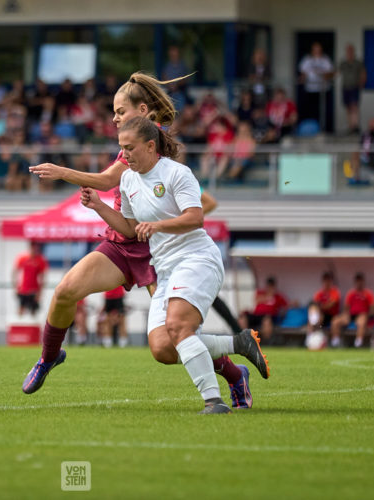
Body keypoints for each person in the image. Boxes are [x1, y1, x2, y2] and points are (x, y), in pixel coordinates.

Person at [24, 73, 263, 410]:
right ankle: (48, 358)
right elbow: (118, 195)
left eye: (120, 111)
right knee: (65, 291)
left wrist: (62, 172)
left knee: (171, 341)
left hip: (156, 251)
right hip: (125, 239)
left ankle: (233, 375)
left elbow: (108, 180)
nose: (114, 117)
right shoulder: (135, 144)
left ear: (142, 110)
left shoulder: (148, 148)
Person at [81, 116, 268, 413]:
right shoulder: (128, 179)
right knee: (163, 348)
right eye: (121, 148)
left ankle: (213, 401)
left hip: (197, 259)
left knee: (179, 326)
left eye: (129, 148)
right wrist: (99, 206)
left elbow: (196, 217)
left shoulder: (177, 173)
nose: (123, 155)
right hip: (166, 269)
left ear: (150, 146)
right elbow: (130, 229)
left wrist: (158, 226)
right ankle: (239, 344)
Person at [330, 272, 374, 348]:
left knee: (361, 322)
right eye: (357, 281)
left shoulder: (368, 293)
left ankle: (358, 342)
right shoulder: (351, 293)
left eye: (360, 281)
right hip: (351, 314)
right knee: (335, 321)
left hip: (362, 314)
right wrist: (345, 315)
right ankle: (335, 341)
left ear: (363, 282)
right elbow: (346, 307)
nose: (359, 283)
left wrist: (367, 316)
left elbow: (373, 308)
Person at [238, 276, 289, 344]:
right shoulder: (261, 293)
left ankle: (266, 343)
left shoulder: (278, 296)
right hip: (256, 315)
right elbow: (256, 300)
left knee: (266, 321)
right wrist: (268, 297)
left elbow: (287, 305)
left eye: (271, 286)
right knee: (242, 318)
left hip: (268, 316)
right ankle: (243, 341)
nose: (269, 288)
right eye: (268, 286)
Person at [298, 42, 334, 131]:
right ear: (312, 50)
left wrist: (324, 75)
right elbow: (303, 73)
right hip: (310, 89)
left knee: (324, 111)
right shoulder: (307, 59)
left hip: (323, 90)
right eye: (315, 49)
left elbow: (330, 73)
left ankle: (325, 129)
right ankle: (311, 129)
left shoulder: (325, 59)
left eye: (319, 49)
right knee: (311, 110)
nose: (317, 51)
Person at [13, 242, 48, 317]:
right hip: (23, 289)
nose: (35, 249)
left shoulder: (40, 260)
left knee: (33, 310)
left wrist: (40, 292)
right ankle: (20, 327)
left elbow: (42, 277)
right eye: (33, 247)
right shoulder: (23, 258)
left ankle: (32, 327)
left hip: (34, 290)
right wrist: (15, 287)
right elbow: (15, 272)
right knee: (21, 309)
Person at [338, 44, 366, 134]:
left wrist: (362, 83)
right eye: (348, 51)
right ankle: (350, 127)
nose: (349, 53)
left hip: (354, 87)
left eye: (351, 51)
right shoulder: (343, 63)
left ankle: (355, 126)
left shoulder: (358, 63)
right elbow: (337, 72)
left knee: (354, 107)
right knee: (348, 107)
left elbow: (363, 73)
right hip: (345, 87)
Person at [307, 271, 341, 336]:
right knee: (315, 316)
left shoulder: (335, 292)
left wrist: (320, 306)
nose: (327, 282)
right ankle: (310, 337)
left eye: (328, 280)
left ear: (331, 281)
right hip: (322, 316)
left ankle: (335, 342)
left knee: (335, 322)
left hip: (332, 316)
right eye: (325, 280)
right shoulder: (319, 293)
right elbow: (314, 304)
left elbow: (330, 305)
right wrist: (318, 307)